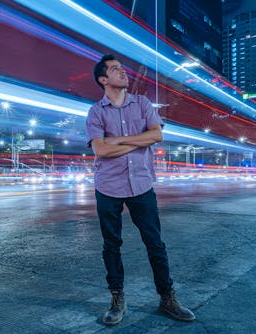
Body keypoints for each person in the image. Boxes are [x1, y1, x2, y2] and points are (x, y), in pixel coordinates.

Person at [86, 54, 195, 326]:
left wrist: (118, 141)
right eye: (115, 70)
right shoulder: (96, 111)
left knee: (154, 243)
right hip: (108, 187)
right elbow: (100, 150)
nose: (123, 72)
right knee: (112, 245)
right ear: (103, 79)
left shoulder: (143, 104)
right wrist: (139, 140)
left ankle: (167, 297)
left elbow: (157, 135)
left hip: (141, 184)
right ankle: (117, 299)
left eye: (122, 68)